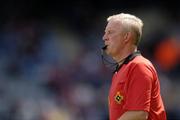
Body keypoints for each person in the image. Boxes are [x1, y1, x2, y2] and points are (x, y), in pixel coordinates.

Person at [102, 13, 166, 120]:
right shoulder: (121, 71)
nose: (104, 37)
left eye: (110, 32)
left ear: (126, 37)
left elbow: (139, 114)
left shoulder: (139, 66)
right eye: (105, 33)